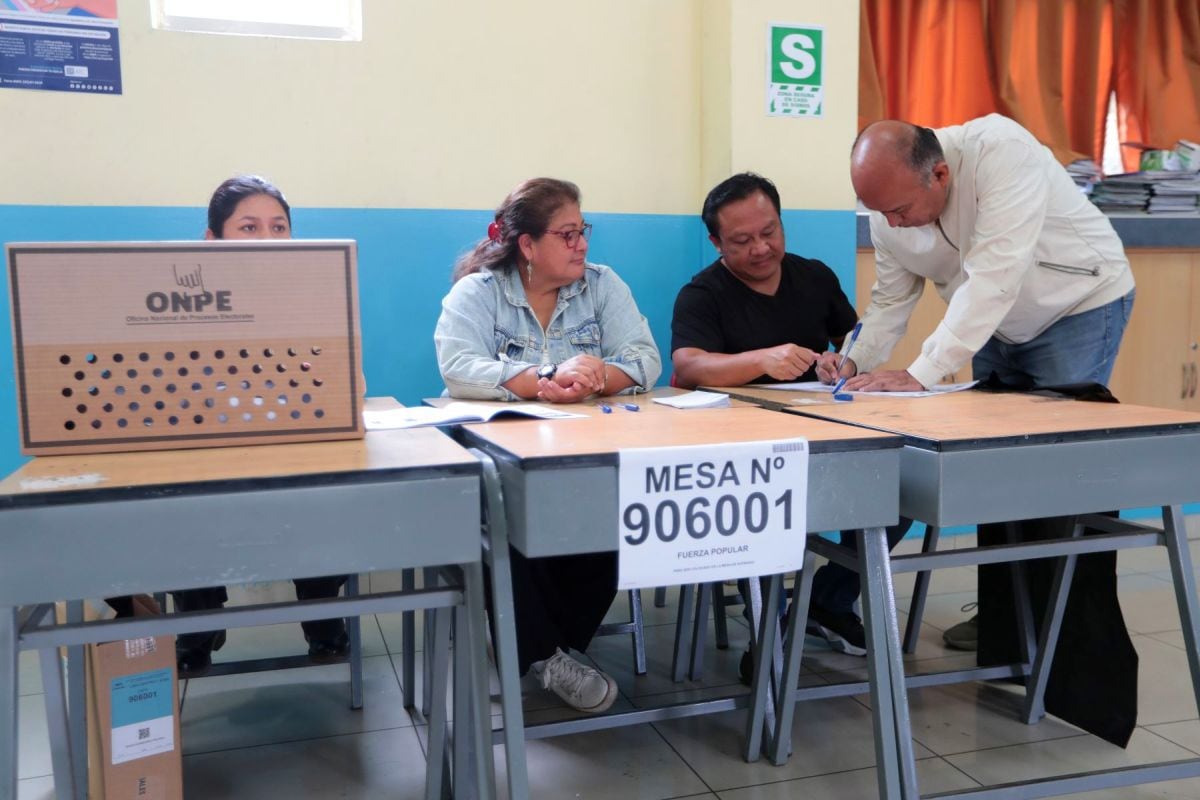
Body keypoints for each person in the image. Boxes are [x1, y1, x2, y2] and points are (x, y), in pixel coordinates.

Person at [822, 114, 1135, 650]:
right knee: (993, 466)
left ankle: (1056, 640)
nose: (893, 225)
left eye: (899, 210)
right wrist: (854, 360)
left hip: (1077, 306)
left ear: (939, 175)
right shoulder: (889, 210)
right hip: (992, 323)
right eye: (879, 213)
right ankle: (1003, 622)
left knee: (1052, 473)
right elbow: (892, 299)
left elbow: (994, 276)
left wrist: (920, 374)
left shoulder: (1001, 151)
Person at [434, 177, 660, 712]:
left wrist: (600, 375)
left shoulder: (603, 286)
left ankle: (538, 647)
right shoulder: (479, 292)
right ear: (527, 246)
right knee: (501, 514)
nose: (582, 244)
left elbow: (647, 358)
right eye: (567, 235)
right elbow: (458, 367)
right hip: (500, 459)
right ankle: (544, 652)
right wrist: (542, 377)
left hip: (583, 455)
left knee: (619, 510)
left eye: (583, 231)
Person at [671, 172, 911, 661]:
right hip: (746, 450)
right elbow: (688, 364)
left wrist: (841, 362)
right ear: (717, 242)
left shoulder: (814, 276)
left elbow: (852, 340)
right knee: (759, 504)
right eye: (742, 240)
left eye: (770, 232)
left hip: (823, 431)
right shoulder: (703, 294)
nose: (761, 248)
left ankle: (825, 601)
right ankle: (770, 622)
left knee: (900, 488)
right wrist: (759, 360)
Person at [172, 175, 351, 674]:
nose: (267, 239)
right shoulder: (181, 304)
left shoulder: (318, 297)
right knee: (181, 502)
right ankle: (198, 619)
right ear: (214, 240)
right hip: (209, 461)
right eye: (249, 227)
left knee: (336, 492)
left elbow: (350, 388)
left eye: (279, 227)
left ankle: (322, 615)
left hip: (295, 459)